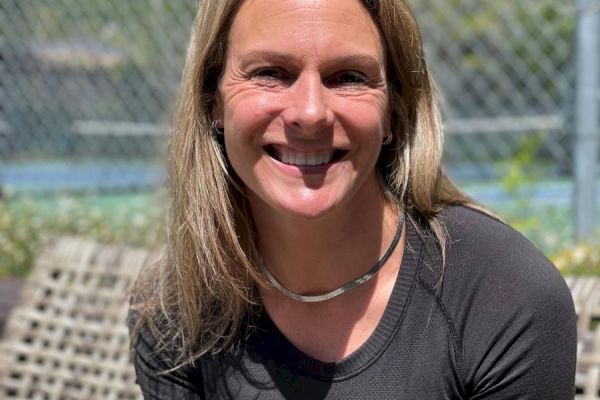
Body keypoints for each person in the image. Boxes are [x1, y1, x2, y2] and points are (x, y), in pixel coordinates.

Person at [128, 0, 577, 398]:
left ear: (394, 113)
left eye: (348, 77)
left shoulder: (501, 298)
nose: (309, 112)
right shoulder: (175, 312)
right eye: (270, 73)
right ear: (213, 101)